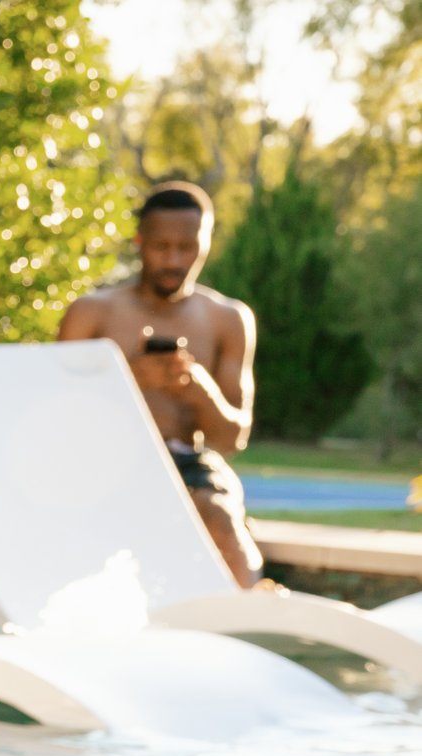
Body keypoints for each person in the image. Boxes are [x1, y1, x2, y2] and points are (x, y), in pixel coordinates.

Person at [59, 179, 264, 586]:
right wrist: (128, 379)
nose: (173, 260)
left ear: (206, 244)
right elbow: (55, 418)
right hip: (103, 462)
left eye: (187, 247)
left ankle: (253, 614)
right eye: (160, 247)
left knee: (220, 519)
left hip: (188, 467)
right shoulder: (92, 313)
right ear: (139, 242)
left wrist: (198, 389)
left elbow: (232, 439)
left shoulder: (229, 320)